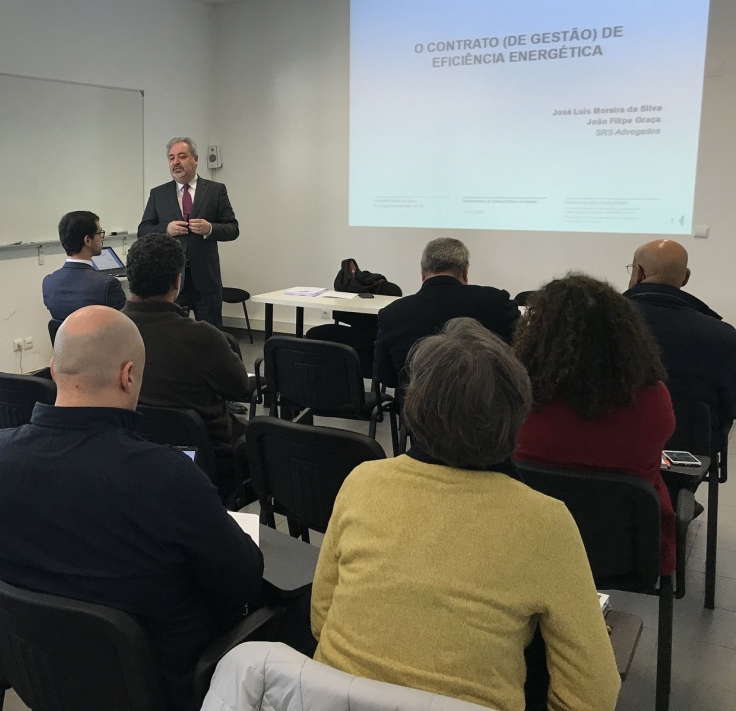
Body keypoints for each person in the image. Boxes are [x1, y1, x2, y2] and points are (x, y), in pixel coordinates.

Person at [0, 306, 262, 710]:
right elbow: (243, 582)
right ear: (128, 375)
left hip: (35, 674)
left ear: (53, 369)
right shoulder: (167, 477)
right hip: (158, 688)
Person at [312, 318, 619, 711]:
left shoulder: (362, 481)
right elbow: (592, 695)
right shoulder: (546, 521)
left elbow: (321, 619)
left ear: (414, 406)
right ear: (517, 415)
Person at [514, 273, 675, 577]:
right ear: (626, 334)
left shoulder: (517, 397)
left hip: (526, 542)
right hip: (627, 549)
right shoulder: (653, 399)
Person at [121, 234, 249, 495]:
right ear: (177, 281)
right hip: (210, 463)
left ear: (130, 277)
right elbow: (239, 388)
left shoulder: (106, 331)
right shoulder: (203, 337)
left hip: (131, 456)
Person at [373, 237, 519, 389]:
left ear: (422, 272)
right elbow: (518, 358)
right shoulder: (498, 303)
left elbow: (386, 377)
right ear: (465, 272)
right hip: (485, 400)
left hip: (414, 403)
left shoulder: (392, 314)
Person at [624, 239, 736, 436]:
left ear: (638, 272)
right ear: (685, 277)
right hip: (696, 446)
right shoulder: (724, 336)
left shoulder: (600, 323)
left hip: (616, 442)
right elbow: (730, 406)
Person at [138, 137, 238, 327]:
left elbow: (233, 228)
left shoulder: (215, 190)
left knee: (210, 334)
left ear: (196, 159)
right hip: (170, 279)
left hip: (206, 279)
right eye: (171, 158)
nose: (175, 162)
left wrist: (210, 228)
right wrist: (166, 229)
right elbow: (143, 230)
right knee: (171, 334)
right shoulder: (158, 194)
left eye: (182, 156)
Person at [42, 210, 125, 320]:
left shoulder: (49, 283)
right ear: (87, 240)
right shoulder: (108, 285)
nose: (102, 238)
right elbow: (124, 325)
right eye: (99, 233)